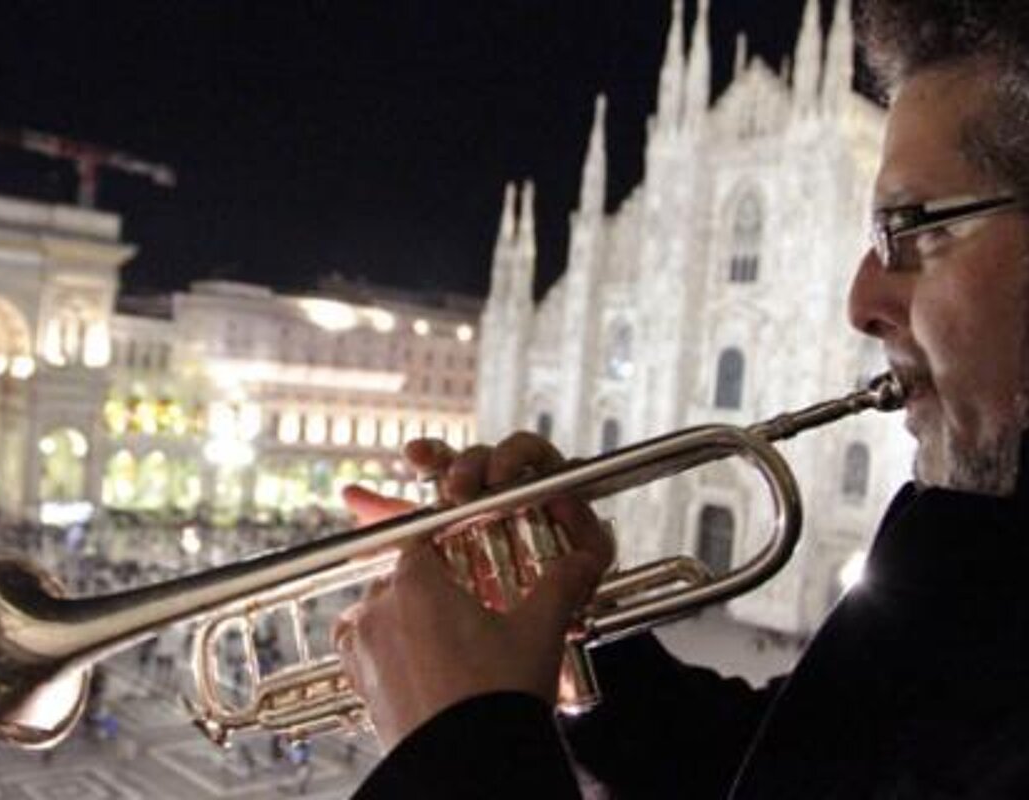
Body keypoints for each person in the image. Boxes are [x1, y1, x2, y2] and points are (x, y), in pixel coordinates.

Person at [333, 1, 1029, 797]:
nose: (859, 298)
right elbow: (805, 762)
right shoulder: (991, 574)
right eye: (877, 237)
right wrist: (565, 633)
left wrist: (458, 748)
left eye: (918, 229)